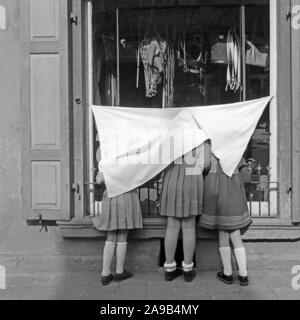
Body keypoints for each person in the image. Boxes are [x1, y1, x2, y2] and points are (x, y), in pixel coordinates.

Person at [160, 142, 211, 283]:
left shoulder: (172, 134)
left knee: (171, 226)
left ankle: (169, 269)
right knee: (189, 227)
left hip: (172, 176)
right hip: (192, 176)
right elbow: (206, 164)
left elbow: (161, 158)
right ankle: (188, 270)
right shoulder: (202, 137)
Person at [199, 154, 252, 286]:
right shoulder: (236, 149)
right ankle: (243, 275)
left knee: (222, 231)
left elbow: (203, 167)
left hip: (216, 192)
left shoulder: (212, 151)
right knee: (235, 232)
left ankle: (227, 273)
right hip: (234, 191)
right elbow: (246, 178)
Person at [93, 170, 143, 286]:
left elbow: (99, 180)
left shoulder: (107, 157)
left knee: (111, 235)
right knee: (123, 234)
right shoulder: (131, 157)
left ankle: (105, 274)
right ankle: (119, 271)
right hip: (128, 195)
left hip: (112, 194)